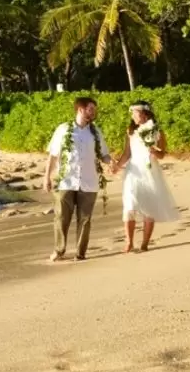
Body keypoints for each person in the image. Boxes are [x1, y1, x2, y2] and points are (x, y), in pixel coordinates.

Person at [44, 97, 113, 262]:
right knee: (61, 217)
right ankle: (59, 250)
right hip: (66, 180)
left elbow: (104, 154)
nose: (93, 112)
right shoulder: (63, 129)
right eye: (90, 109)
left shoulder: (95, 132)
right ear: (80, 110)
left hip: (88, 181)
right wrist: (46, 177)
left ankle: (80, 253)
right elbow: (53, 155)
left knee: (85, 219)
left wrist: (111, 162)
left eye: (94, 109)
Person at [112, 100, 179, 253]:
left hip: (149, 170)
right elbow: (127, 153)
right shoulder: (131, 132)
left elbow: (162, 153)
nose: (132, 116)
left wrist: (154, 151)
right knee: (129, 204)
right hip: (133, 170)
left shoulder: (157, 131)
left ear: (144, 113)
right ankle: (129, 242)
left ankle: (145, 243)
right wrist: (117, 166)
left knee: (148, 206)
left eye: (135, 112)